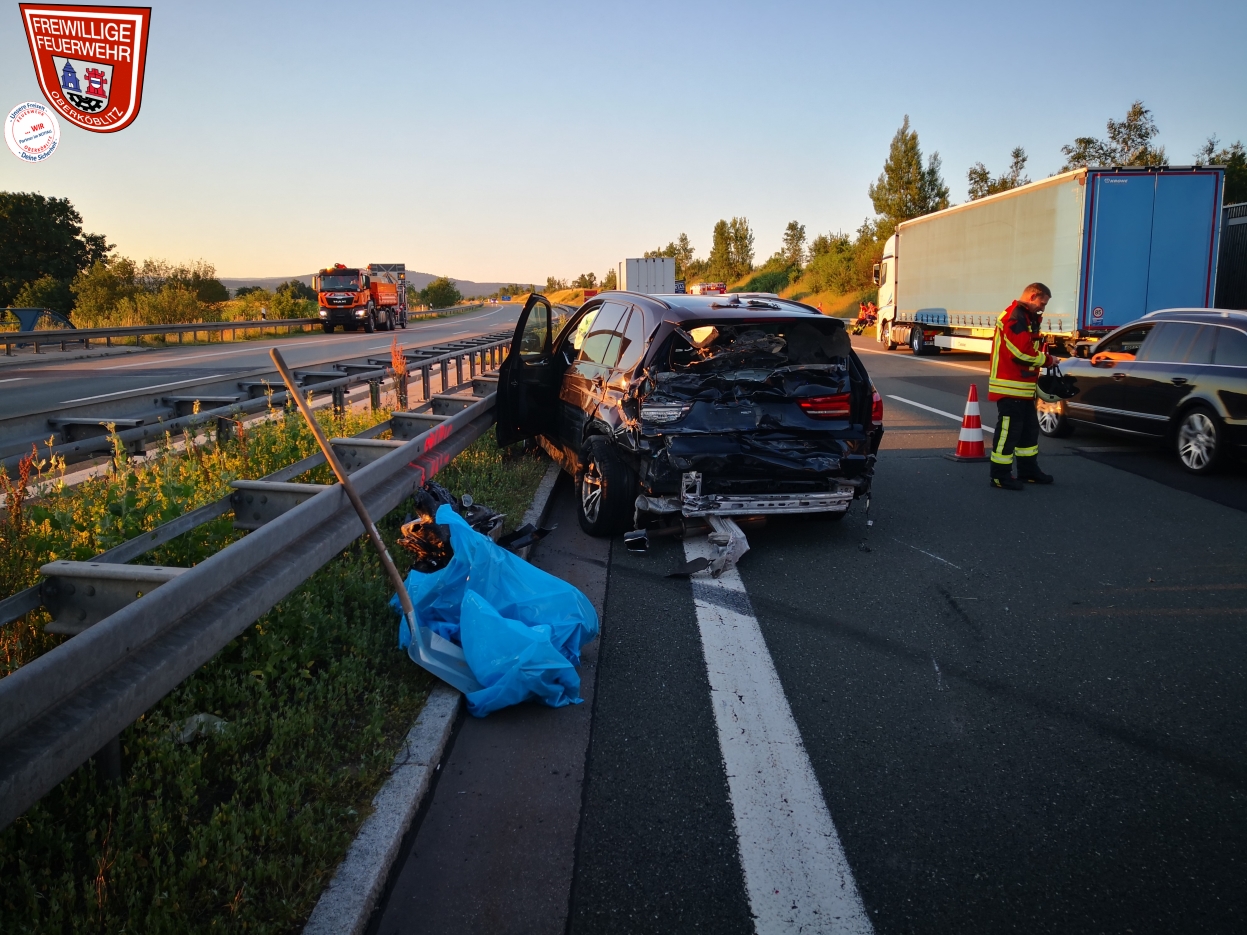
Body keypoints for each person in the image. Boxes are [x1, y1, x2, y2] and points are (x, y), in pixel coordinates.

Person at [987, 282, 1056, 490]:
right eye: (1042, 303)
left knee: (1028, 432)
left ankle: (1028, 471)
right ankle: (1000, 476)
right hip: (1010, 387)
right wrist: (1048, 360)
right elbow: (1021, 352)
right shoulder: (1015, 316)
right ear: (1032, 296)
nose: (1043, 308)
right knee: (1008, 434)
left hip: (1023, 388)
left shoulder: (1026, 316)